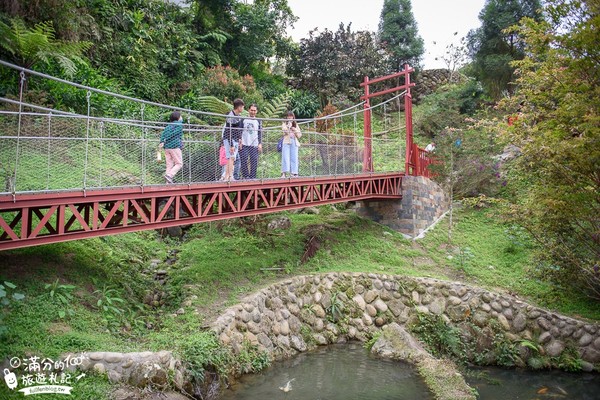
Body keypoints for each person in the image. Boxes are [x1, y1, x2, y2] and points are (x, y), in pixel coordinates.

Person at [222, 98, 244, 182]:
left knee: (231, 158)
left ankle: (227, 176)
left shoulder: (238, 116)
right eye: (242, 107)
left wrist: (239, 139)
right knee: (231, 157)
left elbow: (237, 129)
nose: (242, 109)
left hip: (235, 139)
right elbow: (228, 130)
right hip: (229, 139)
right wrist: (231, 144)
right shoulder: (231, 115)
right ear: (239, 107)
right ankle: (230, 176)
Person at [159, 111, 184, 184]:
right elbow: (174, 134)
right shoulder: (179, 125)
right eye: (180, 116)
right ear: (178, 117)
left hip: (167, 147)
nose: (181, 118)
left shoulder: (168, 126)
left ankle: (167, 183)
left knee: (169, 165)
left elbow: (163, 135)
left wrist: (162, 141)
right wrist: (168, 138)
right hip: (174, 146)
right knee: (179, 163)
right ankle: (169, 175)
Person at [240, 104, 263, 179]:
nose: (253, 112)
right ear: (249, 110)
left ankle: (253, 177)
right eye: (251, 110)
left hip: (254, 144)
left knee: (254, 160)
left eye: (254, 110)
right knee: (243, 159)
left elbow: (260, 132)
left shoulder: (258, 121)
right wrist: (240, 141)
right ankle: (245, 176)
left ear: (256, 111)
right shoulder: (243, 119)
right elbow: (239, 131)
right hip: (244, 143)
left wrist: (260, 143)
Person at [280, 111, 302, 178]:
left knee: (294, 157)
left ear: (293, 117)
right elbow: (284, 132)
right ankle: (284, 173)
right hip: (286, 142)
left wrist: (295, 130)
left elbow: (299, 135)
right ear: (286, 117)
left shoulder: (296, 124)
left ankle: (294, 173)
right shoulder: (284, 123)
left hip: (294, 142)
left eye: (291, 116)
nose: (290, 118)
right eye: (288, 116)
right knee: (285, 157)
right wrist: (288, 127)